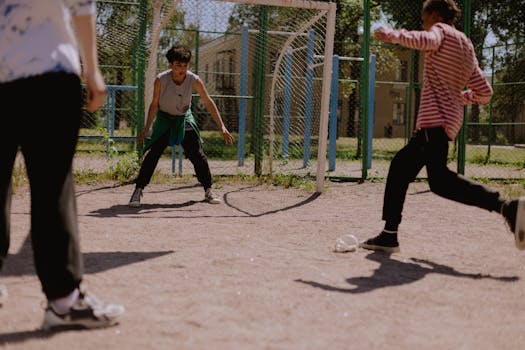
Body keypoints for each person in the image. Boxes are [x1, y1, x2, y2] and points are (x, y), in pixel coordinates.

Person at [360, 0, 525, 253]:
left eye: (424, 20)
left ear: (435, 15)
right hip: (447, 122)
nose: (424, 26)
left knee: (415, 173)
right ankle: (389, 234)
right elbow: (485, 91)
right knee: (432, 179)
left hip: (434, 121)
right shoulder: (466, 44)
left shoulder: (440, 32)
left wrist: (393, 35)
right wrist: (462, 97)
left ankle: (505, 206)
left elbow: (428, 41)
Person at [0, 0, 124, 329]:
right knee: (52, 186)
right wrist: (92, 69)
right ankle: (64, 299)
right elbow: (82, 4)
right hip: (46, 68)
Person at [129, 45, 234, 207]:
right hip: (165, 119)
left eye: (185, 66)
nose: (182, 69)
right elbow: (154, 104)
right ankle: (138, 190)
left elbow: (208, 101)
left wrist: (222, 127)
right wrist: (147, 127)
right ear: (170, 65)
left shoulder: (194, 79)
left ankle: (208, 189)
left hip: (184, 118)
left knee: (197, 154)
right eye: (178, 65)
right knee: (153, 153)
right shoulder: (161, 79)